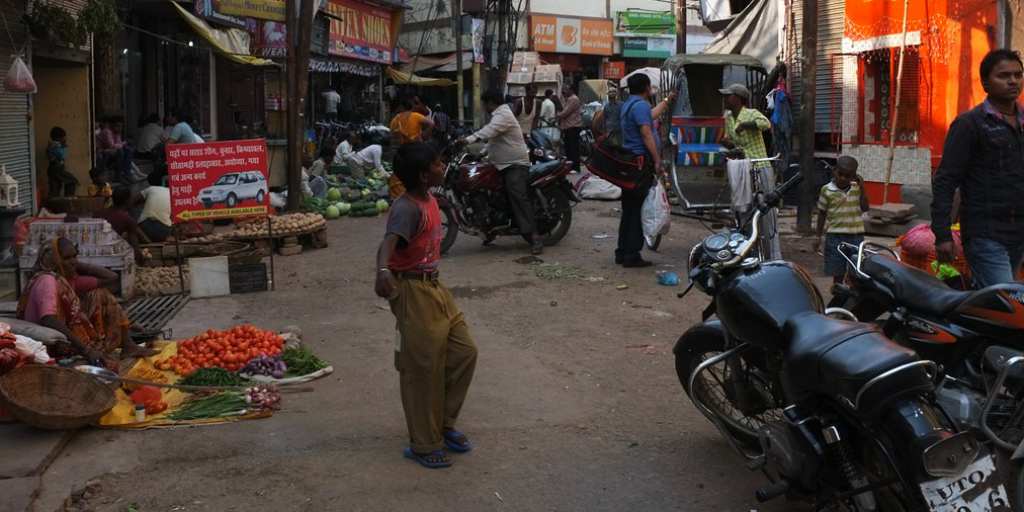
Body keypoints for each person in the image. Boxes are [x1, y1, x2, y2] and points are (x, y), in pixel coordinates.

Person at [374, 142, 478, 469]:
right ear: (422, 175)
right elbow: (387, 244)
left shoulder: (431, 199)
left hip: (435, 286)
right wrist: (382, 270)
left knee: (464, 352)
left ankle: (444, 423)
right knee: (422, 370)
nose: (443, 164)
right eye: (437, 162)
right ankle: (423, 443)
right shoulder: (406, 208)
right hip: (412, 291)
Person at [932, 49, 1024, 288]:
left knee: (994, 303)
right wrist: (942, 234)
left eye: (1018, 74)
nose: (1013, 80)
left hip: (1018, 234)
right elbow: (945, 180)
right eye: (1003, 75)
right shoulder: (970, 124)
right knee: (1005, 305)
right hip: (986, 234)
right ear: (985, 83)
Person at [17, 238, 159, 369]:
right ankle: (106, 347)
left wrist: (77, 264)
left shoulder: (66, 280)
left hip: (60, 336)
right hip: (46, 344)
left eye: (75, 256)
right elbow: (48, 319)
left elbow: (112, 277)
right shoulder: (47, 281)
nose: (73, 261)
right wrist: (86, 349)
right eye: (67, 258)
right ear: (53, 259)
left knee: (100, 293)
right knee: (103, 364)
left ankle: (128, 345)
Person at [455, 89, 543, 254]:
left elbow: (487, 132)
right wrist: (479, 155)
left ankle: (534, 236)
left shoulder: (503, 115)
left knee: (517, 194)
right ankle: (490, 228)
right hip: (500, 163)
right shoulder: (499, 116)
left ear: (490, 102)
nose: (484, 107)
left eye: (484, 103)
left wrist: (467, 140)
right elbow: (493, 140)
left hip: (515, 164)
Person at [617, 73, 671, 268]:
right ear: (647, 87)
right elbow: (646, 133)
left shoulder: (629, 104)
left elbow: (651, 116)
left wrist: (666, 101)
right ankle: (631, 254)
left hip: (630, 163)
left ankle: (622, 251)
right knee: (639, 209)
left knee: (629, 209)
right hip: (640, 164)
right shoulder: (640, 106)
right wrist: (657, 160)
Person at [813, 156, 869, 288]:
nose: (843, 178)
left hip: (856, 237)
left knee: (856, 272)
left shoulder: (857, 189)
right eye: (840, 174)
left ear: (854, 176)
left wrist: (862, 187)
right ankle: (838, 299)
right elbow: (822, 214)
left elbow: (865, 208)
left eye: (848, 176)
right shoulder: (826, 190)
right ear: (834, 171)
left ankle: (852, 302)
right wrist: (818, 236)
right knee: (837, 272)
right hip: (835, 238)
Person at [720, 84, 772, 164]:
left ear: (737, 98)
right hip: (741, 165)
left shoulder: (751, 114)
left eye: (727, 96)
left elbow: (766, 124)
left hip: (758, 165)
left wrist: (744, 125)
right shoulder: (728, 118)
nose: (724, 99)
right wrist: (727, 143)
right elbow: (732, 143)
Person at [94, 187, 148, 263]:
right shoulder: (128, 220)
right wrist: (143, 257)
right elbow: (135, 253)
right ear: (128, 201)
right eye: (131, 199)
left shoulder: (97, 214)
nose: (132, 202)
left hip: (93, 254)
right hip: (111, 258)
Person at [97, 116, 144, 183]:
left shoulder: (116, 133)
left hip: (112, 155)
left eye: (121, 126)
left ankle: (127, 174)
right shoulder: (106, 132)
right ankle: (118, 175)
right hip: (104, 156)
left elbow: (119, 144)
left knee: (128, 150)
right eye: (118, 126)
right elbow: (112, 146)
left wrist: (125, 145)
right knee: (120, 151)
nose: (120, 128)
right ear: (111, 125)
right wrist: (125, 143)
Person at [557, 83, 584, 172]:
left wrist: (556, 115)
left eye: (567, 89)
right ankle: (570, 166)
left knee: (573, 148)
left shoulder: (574, 99)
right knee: (568, 147)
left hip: (573, 126)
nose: (565, 91)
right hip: (568, 127)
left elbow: (565, 112)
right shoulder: (568, 99)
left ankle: (575, 167)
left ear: (572, 90)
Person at [46, 126, 78, 198]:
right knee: (72, 180)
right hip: (56, 168)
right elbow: (62, 156)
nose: (64, 139)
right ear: (58, 138)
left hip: (53, 168)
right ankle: (68, 199)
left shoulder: (52, 144)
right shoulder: (56, 145)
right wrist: (64, 147)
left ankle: (52, 204)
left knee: (56, 187)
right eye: (63, 137)